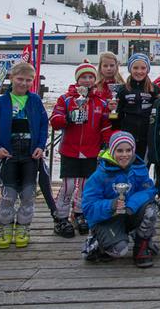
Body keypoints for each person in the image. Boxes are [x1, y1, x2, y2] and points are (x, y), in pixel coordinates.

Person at [0, 62, 48, 249]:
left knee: (28, 193)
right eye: (20, 79)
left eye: (29, 80)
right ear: (11, 78)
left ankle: (23, 226)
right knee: (8, 194)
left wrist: (41, 146)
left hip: (30, 154)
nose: (24, 83)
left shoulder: (35, 101)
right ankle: (4, 226)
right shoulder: (0, 102)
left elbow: (44, 125)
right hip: (8, 154)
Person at [50, 60, 112, 238]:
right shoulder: (67, 99)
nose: (87, 80)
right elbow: (55, 119)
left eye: (90, 77)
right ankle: (60, 217)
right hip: (70, 149)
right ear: (77, 79)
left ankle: (79, 213)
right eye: (83, 77)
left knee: (85, 186)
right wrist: (68, 117)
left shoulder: (100, 102)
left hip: (91, 151)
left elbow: (105, 125)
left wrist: (108, 143)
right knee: (68, 186)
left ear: (95, 79)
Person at [81, 132, 158, 267]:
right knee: (119, 251)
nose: (124, 155)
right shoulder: (99, 175)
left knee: (151, 209)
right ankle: (96, 241)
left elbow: (149, 190)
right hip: (107, 219)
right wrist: (111, 205)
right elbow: (88, 207)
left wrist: (131, 205)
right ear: (112, 151)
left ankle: (141, 245)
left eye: (128, 150)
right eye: (119, 150)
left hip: (129, 212)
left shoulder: (139, 167)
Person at [112, 53, 160, 160]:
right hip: (127, 138)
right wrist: (112, 113)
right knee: (126, 169)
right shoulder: (123, 90)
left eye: (143, 68)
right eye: (135, 68)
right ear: (130, 69)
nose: (139, 71)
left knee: (142, 169)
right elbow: (117, 116)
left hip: (146, 138)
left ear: (148, 69)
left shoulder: (154, 89)